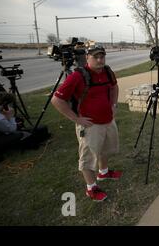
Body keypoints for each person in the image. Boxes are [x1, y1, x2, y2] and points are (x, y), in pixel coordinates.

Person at [51, 45, 121, 202]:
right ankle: (91, 188)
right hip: (90, 125)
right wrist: (76, 119)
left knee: (106, 149)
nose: (99, 59)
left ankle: (103, 172)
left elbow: (114, 87)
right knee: (88, 159)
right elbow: (57, 100)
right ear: (87, 58)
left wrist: (114, 105)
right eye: (95, 57)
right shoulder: (78, 76)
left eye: (102, 56)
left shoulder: (108, 71)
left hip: (108, 121)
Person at [0, 92, 39, 163]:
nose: (11, 107)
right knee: (19, 134)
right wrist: (11, 116)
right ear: (5, 104)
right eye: (10, 104)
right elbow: (11, 129)